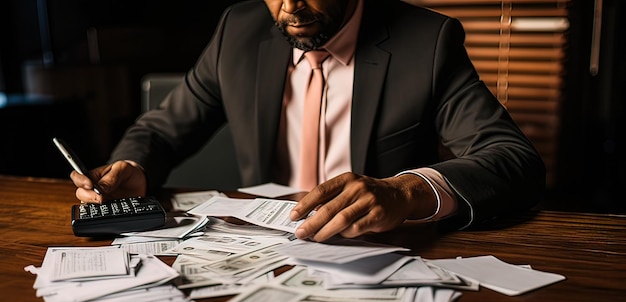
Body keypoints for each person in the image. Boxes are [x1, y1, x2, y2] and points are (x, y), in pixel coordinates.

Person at [70, 0, 546, 242]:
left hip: (378, 254)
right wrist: (131, 167)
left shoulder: (427, 40)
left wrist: (405, 192)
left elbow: (513, 159)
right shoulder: (239, 29)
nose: (290, 7)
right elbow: (161, 129)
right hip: (263, 251)